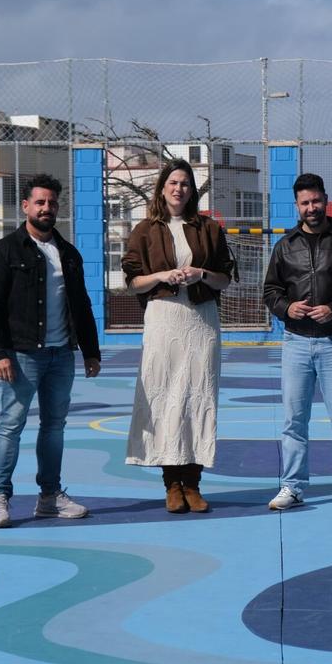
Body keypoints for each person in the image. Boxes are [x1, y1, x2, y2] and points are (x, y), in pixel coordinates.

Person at [0, 173, 101, 529]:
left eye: (52, 203)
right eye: (40, 202)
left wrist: (90, 352)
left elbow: (81, 305)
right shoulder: (4, 251)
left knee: (54, 427)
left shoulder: (68, 253)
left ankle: (49, 497)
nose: (47, 208)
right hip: (21, 356)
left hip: (61, 355)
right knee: (11, 425)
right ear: (25, 206)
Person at [121, 158, 234, 513]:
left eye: (185, 183)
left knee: (198, 397)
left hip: (201, 321)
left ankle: (194, 483)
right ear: (162, 187)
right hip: (164, 320)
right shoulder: (144, 229)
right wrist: (162, 276)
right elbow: (132, 281)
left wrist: (201, 274)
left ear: (191, 190)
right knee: (166, 397)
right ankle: (172, 484)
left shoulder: (209, 229)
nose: (178, 189)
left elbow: (225, 279)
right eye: (173, 182)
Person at [262, 173, 332, 511]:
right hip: (295, 343)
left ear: (325, 199)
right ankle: (292, 487)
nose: (312, 208)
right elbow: (270, 291)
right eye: (305, 203)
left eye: (316, 201)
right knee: (293, 421)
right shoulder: (285, 246)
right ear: (297, 206)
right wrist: (287, 307)